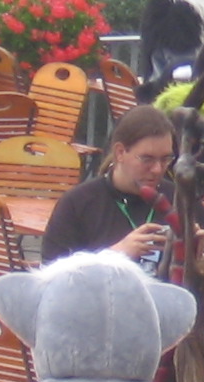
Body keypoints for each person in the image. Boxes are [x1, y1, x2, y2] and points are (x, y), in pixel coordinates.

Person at [41, 103, 193, 274]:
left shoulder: (181, 199)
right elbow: (52, 276)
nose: (158, 169)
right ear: (120, 152)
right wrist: (113, 255)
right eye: (147, 159)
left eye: (165, 159)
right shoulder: (78, 202)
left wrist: (197, 255)